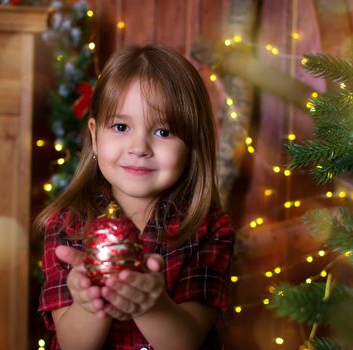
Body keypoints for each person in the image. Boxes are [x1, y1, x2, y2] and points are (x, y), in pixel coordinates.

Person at [36, 44, 234, 350]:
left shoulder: (209, 230)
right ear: (94, 136)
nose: (139, 147)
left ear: (193, 144)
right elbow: (73, 345)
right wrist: (90, 302)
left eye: (163, 132)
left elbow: (188, 341)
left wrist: (150, 305)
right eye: (120, 126)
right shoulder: (67, 225)